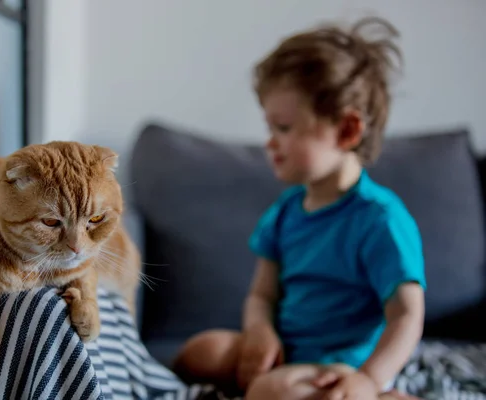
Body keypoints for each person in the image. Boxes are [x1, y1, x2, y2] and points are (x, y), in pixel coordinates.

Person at [173, 17, 426, 400]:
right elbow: (262, 296)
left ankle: (383, 396)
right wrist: (260, 332)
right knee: (202, 352)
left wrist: (370, 378)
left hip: (340, 366)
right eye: (270, 127)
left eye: (284, 128)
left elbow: (407, 314)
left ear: (346, 131)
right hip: (283, 348)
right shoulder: (287, 209)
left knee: (269, 392)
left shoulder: (380, 219)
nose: (269, 143)